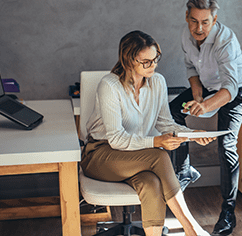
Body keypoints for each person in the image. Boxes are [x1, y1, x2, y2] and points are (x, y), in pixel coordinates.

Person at [81, 30, 212, 236]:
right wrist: (157, 141)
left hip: (134, 157)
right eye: (146, 62)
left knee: (151, 183)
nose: (153, 65)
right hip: (100, 155)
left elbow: (165, 122)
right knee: (159, 155)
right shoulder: (109, 85)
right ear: (129, 60)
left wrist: (192, 134)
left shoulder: (158, 82)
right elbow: (116, 139)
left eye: (155, 59)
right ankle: (192, 229)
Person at [169, 0, 242, 235]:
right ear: (187, 17)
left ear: (214, 20)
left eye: (205, 22)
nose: (199, 28)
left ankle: (228, 215)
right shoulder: (187, 35)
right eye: (194, 21)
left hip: (234, 92)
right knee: (173, 110)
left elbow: (230, 88)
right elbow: (190, 67)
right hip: (208, 86)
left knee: (226, 146)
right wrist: (197, 94)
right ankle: (184, 169)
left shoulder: (225, 41)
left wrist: (205, 106)